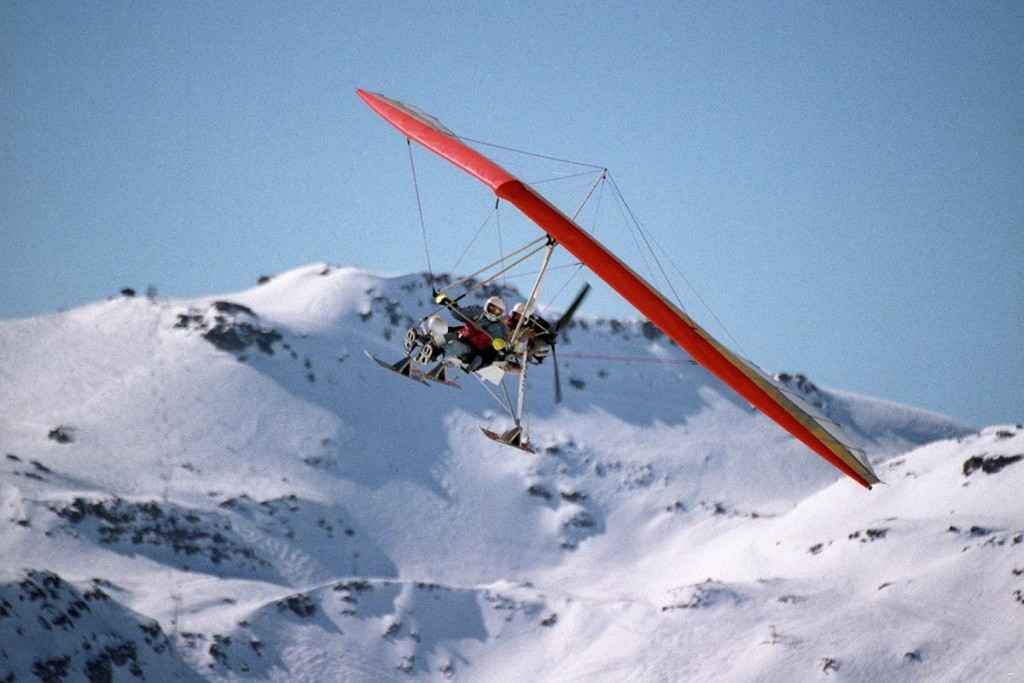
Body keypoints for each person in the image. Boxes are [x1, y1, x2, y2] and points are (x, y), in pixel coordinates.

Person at [419, 293, 510, 372]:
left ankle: (434, 354)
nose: (493, 312)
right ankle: (424, 342)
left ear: (500, 314)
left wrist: (501, 345)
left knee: (456, 346)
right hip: (461, 336)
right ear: (487, 306)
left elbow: (504, 341)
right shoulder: (477, 311)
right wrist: (451, 305)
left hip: (472, 349)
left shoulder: (498, 327)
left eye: (497, 311)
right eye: (491, 308)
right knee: (445, 335)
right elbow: (460, 314)